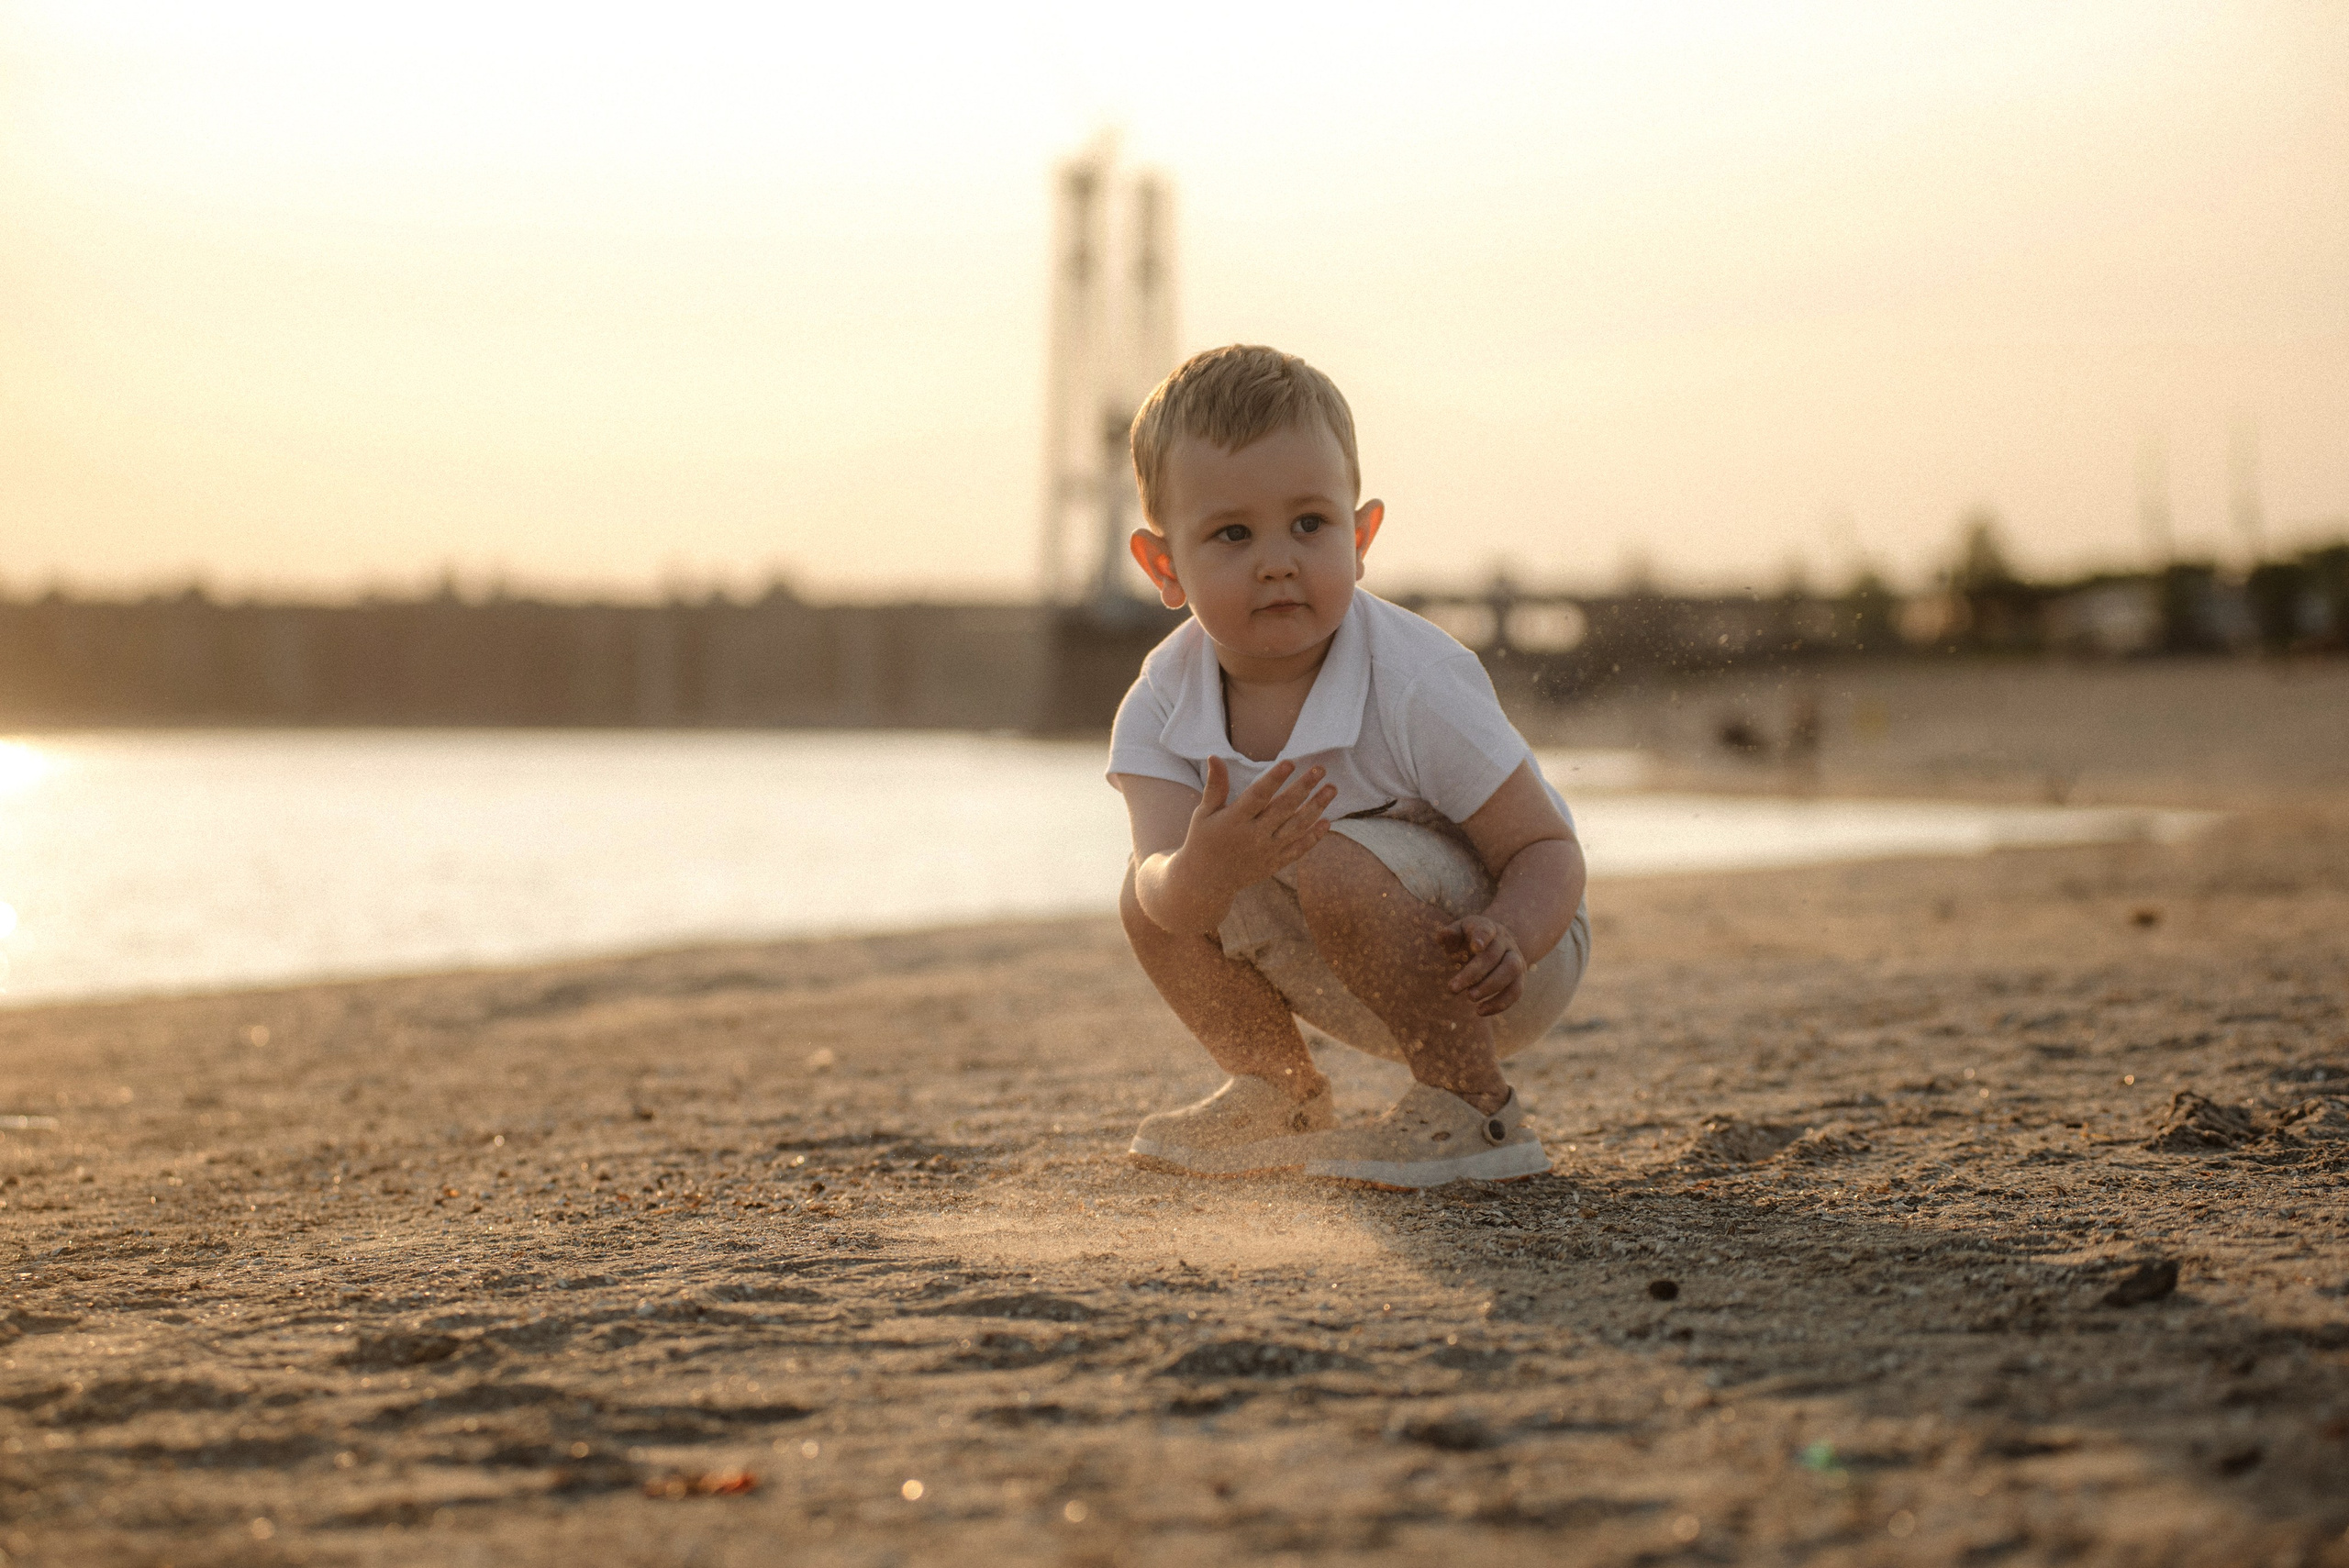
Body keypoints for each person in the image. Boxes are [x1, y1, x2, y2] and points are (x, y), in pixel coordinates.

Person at [1108, 344, 1590, 1189]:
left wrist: (1513, 930)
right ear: (1164, 566)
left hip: (1503, 953)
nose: (1277, 560)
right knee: (1146, 893)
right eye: (1231, 533)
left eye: (1310, 524)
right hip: (1346, 966)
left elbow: (1546, 845)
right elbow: (1163, 889)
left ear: (1360, 537)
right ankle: (1277, 1093)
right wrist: (1200, 867)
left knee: (1324, 858)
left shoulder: (1412, 679)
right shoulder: (1161, 703)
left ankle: (1475, 1109)